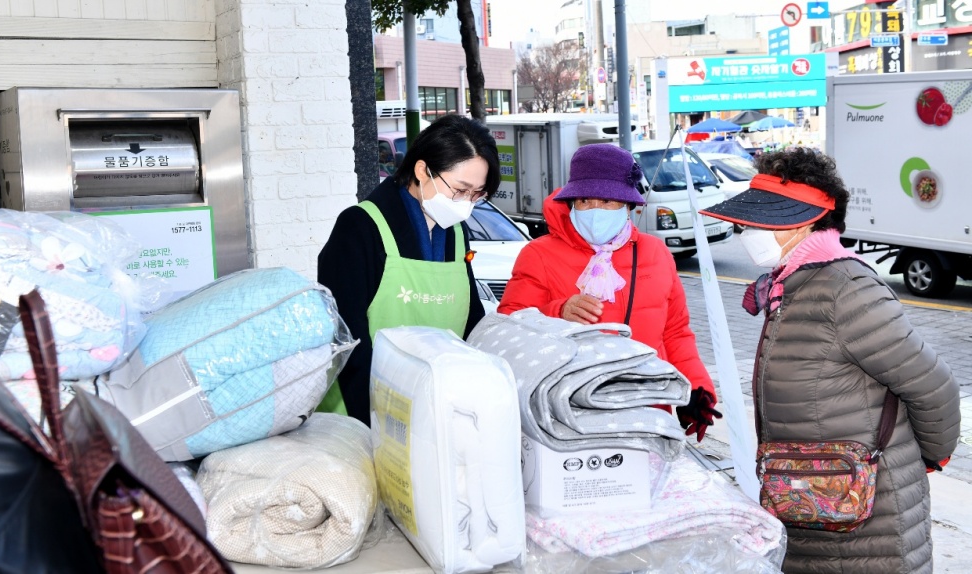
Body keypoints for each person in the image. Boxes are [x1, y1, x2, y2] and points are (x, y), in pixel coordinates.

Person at [699, 147, 960, 574]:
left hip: (864, 513)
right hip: (810, 503)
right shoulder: (795, 281)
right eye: (747, 223)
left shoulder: (846, 287)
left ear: (804, 222)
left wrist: (922, 460)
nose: (747, 232)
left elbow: (933, 386)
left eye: (759, 222)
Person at [498, 143, 721, 441]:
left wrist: (695, 389)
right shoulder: (538, 254)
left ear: (628, 205)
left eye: (607, 201)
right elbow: (507, 331)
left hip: (646, 411)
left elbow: (675, 331)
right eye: (585, 201)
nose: (595, 211)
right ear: (571, 202)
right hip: (566, 418)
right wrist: (558, 312)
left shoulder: (655, 253)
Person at [317, 115, 500, 424]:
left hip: (436, 408)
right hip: (364, 411)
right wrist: (375, 422)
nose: (466, 203)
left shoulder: (455, 234)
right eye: (460, 189)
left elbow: (470, 320)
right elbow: (347, 342)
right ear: (422, 170)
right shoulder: (360, 228)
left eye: (477, 194)